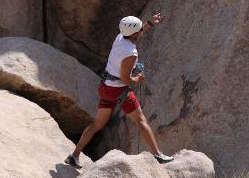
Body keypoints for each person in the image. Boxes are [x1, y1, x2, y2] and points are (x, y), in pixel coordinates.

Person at [65, 14, 174, 168]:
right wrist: (137, 79)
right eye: (140, 30)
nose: (141, 31)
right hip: (118, 91)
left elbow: (136, 33)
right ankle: (158, 155)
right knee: (140, 120)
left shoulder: (120, 38)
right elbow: (125, 79)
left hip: (106, 88)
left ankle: (74, 156)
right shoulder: (131, 54)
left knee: (97, 124)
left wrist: (150, 23)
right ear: (134, 33)